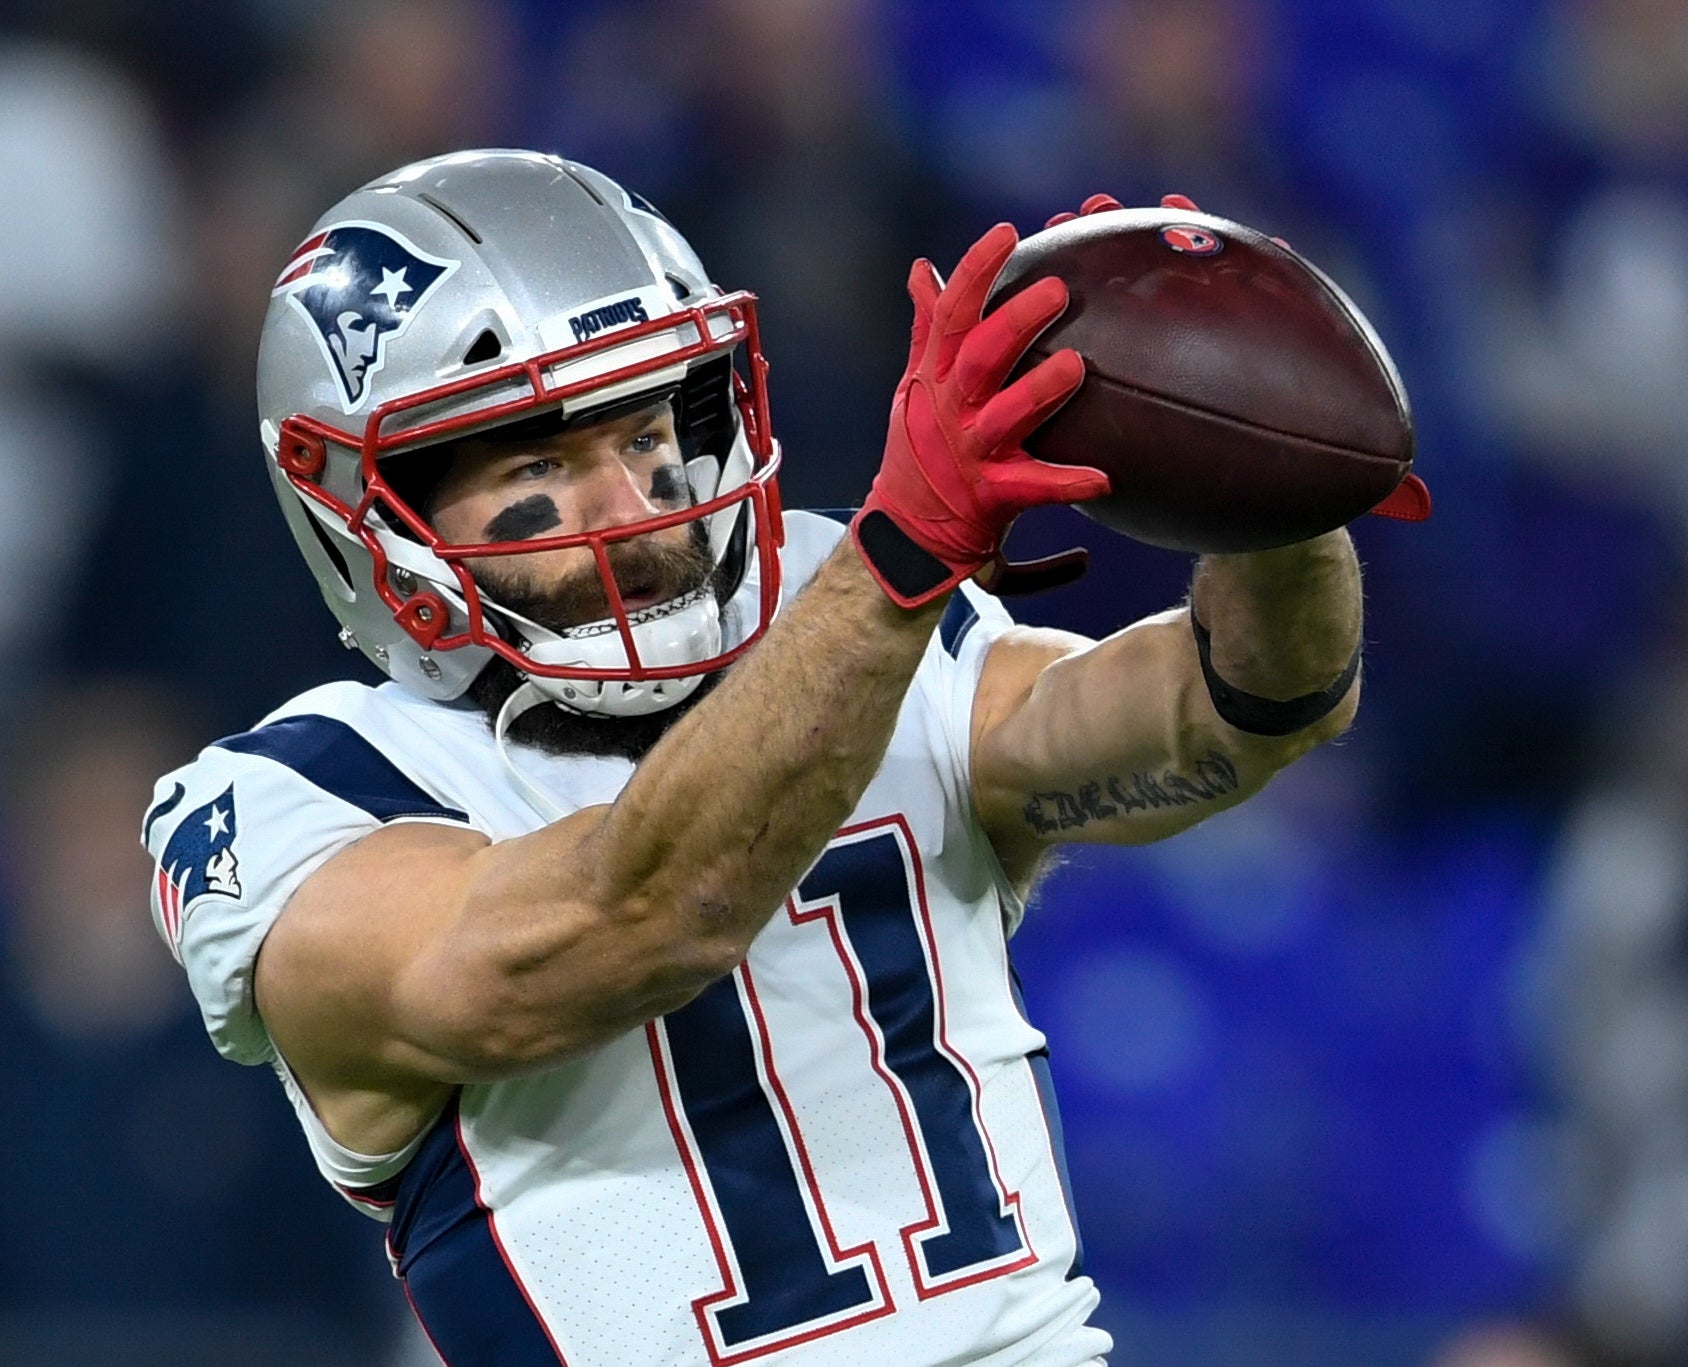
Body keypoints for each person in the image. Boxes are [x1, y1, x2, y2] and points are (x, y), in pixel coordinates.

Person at [143, 149, 1371, 1367]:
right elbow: (631, 918)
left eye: (643, 427)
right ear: (364, 510)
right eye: (533, 465)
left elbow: (1240, 707)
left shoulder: (848, 608)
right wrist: (892, 565)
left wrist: (1258, 468)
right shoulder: (296, 796)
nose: (623, 503)